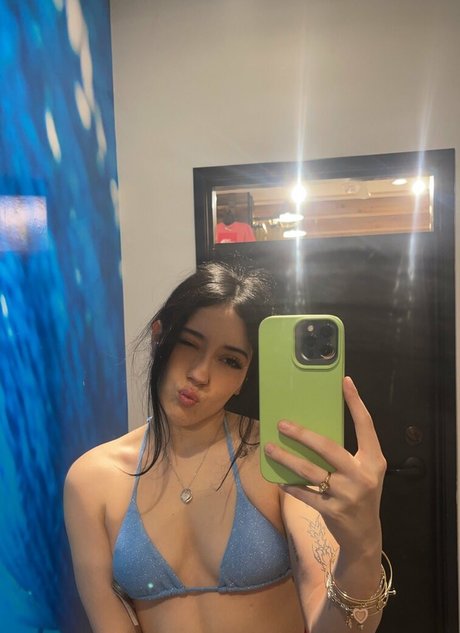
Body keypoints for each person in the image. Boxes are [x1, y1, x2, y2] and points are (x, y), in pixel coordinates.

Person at [64, 261, 392, 633]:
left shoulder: (279, 458)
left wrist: (363, 547)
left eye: (229, 361)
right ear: (158, 338)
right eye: (188, 343)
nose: (200, 374)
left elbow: (339, 627)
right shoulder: (92, 480)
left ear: (243, 376)